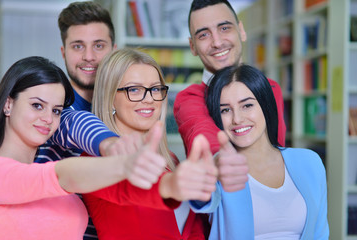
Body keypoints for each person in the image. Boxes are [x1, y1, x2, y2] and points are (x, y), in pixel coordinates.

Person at [0, 56, 169, 240]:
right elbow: (62, 174)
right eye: (37, 105)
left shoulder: (57, 156)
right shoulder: (46, 174)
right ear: (8, 104)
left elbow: (74, 121)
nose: (48, 118)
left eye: (56, 110)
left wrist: (172, 186)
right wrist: (121, 160)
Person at [82, 48, 220, 239]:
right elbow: (139, 191)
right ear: (110, 98)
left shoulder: (170, 160)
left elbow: (194, 228)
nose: (149, 99)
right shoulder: (96, 160)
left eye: (155, 89)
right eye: (134, 90)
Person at [190, 64, 329, 239]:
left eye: (247, 105)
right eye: (225, 110)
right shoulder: (222, 167)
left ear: (265, 104)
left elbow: (320, 233)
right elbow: (201, 199)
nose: (237, 119)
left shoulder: (309, 162)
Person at [34, 3, 118, 238]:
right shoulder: (52, 113)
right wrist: (111, 144)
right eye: (78, 46)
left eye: (99, 45)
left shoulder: (127, 109)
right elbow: (74, 123)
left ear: (115, 49)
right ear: (63, 52)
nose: (89, 57)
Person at [173, 0, 286, 157]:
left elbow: (276, 149)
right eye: (203, 35)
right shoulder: (189, 99)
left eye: (224, 28)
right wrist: (221, 161)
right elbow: (204, 140)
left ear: (241, 31)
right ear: (193, 46)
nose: (217, 43)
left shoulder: (271, 88)